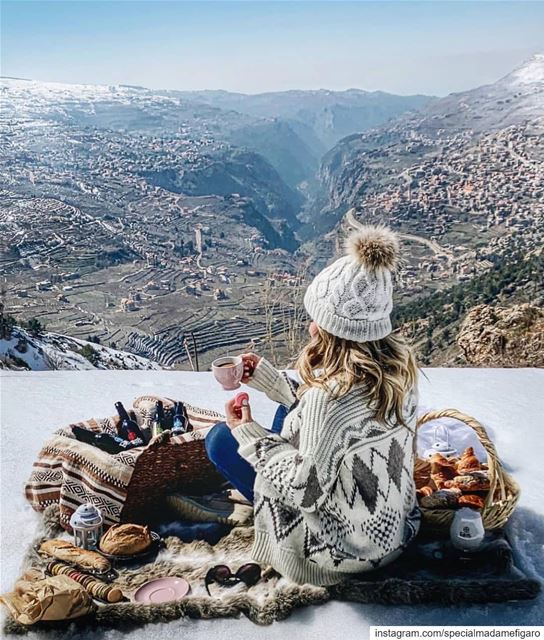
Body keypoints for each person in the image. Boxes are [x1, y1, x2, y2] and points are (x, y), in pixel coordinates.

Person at [205, 225, 421, 586]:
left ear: (334, 329)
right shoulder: (402, 374)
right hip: (395, 533)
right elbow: (343, 425)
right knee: (285, 415)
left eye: (317, 320)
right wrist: (273, 383)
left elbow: (304, 490)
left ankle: (257, 504)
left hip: (343, 554)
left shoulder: (327, 397)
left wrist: (246, 432)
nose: (310, 328)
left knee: (219, 440)